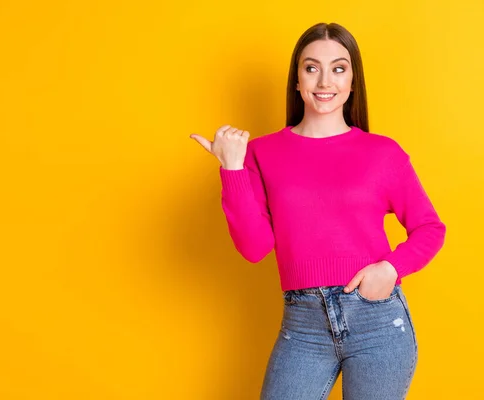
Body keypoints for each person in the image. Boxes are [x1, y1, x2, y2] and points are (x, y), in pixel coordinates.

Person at [190, 22, 446, 400]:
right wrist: (232, 168)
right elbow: (255, 247)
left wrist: (391, 268)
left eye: (338, 68)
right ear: (297, 80)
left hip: (377, 322)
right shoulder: (262, 153)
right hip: (303, 326)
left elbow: (429, 227)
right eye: (312, 68)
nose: (324, 80)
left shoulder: (382, 153)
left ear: (353, 81)